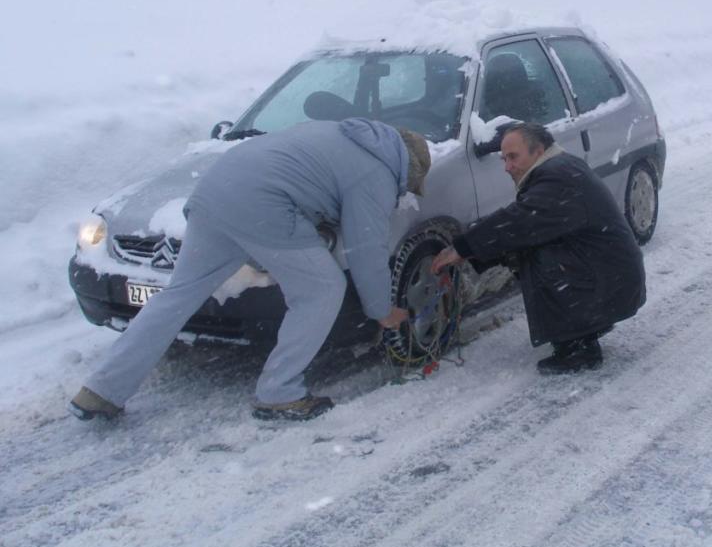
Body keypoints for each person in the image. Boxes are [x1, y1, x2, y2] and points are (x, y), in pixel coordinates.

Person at [69, 118, 431, 422]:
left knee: (178, 295)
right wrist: (382, 311)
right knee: (322, 289)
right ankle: (279, 391)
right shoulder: (377, 174)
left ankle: (101, 390)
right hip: (263, 204)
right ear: (408, 167)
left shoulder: (343, 135)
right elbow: (366, 248)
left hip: (213, 193)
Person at [431, 122, 645, 374]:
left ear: (538, 150)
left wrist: (461, 248)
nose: (507, 167)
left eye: (513, 157)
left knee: (538, 257)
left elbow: (518, 221)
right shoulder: (559, 166)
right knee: (525, 246)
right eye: (503, 159)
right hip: (611, 276)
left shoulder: (558, 177)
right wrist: (474, 251)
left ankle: (578, 347)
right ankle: (586, 327)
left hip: (611, 282)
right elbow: (523, 224)